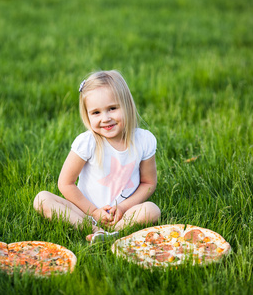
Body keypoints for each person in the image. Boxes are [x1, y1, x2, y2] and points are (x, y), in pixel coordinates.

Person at [33, 70, 161, 243]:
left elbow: (148, 183)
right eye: (96, 113)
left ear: (127, 105)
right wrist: (94, 212)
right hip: (85, 211)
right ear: (87, 115)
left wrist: (122, 207)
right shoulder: (87, 142)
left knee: (152, 210)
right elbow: (65, 183)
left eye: (112, 108)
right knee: (42, 199)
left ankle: (113, 231)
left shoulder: (144, 140)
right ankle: (94, 229)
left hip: (122, 214)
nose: (105, 118)